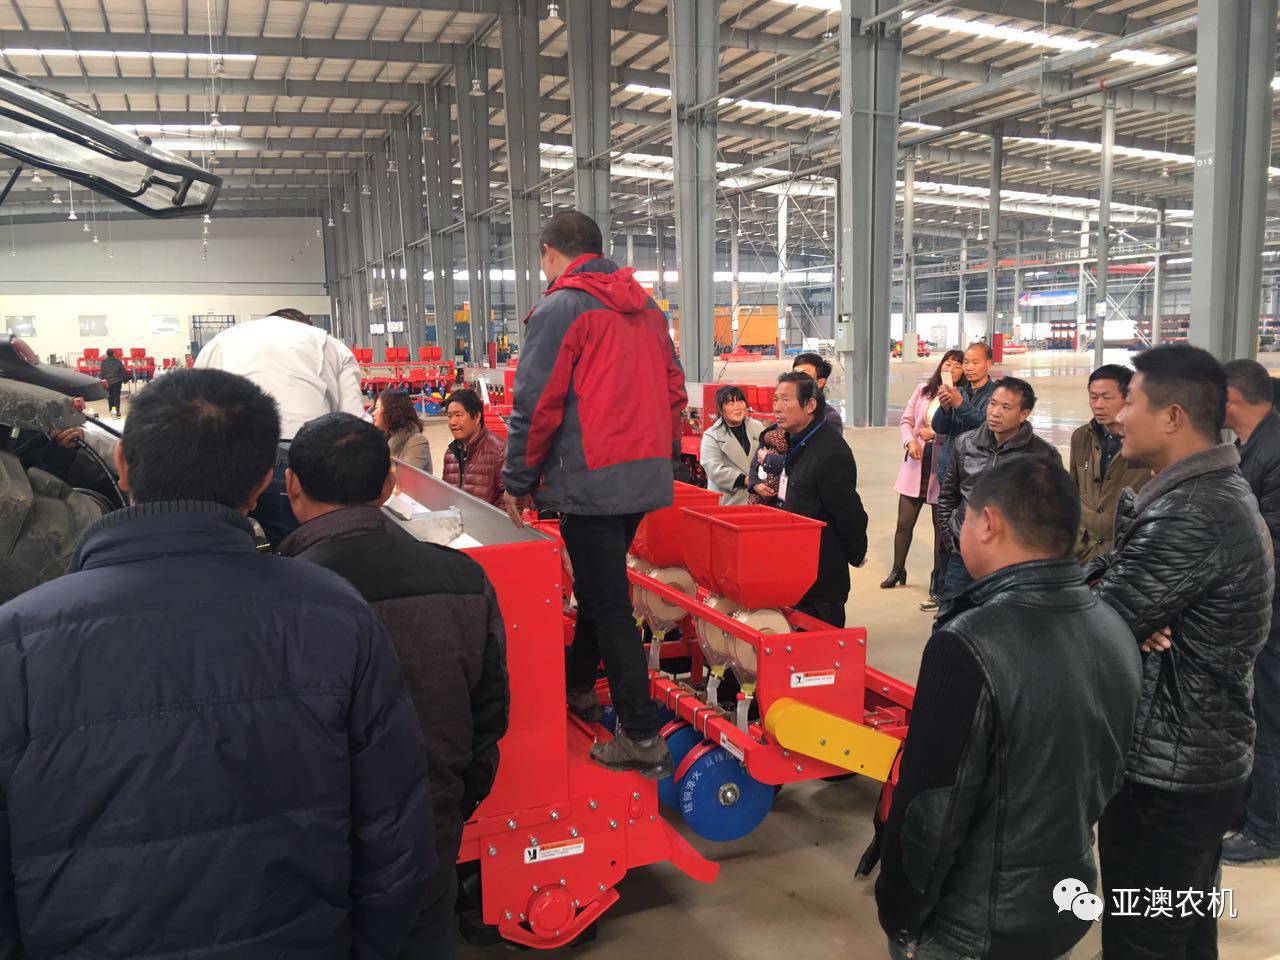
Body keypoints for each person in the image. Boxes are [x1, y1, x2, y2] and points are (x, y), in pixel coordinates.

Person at [0, 369, 434, 958]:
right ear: (262, 485)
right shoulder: (335, 614)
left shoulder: (17, 641)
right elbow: (396, 834)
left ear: (122, 463)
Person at [873, 458, 1141, 960]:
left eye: (966, 518)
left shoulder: (968, 643)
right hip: (1062, 903)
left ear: (989, 524)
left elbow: (932, 809)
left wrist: (900, 914)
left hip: (973, 926)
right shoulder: (1114, 629)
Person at [279, 413, 509, 959]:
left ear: (292, 485)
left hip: (311, 865)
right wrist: (450, 807)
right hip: (428, 841)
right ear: (389, 483)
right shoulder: (464, 579)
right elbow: (488, 717)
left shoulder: (271, 596)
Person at [1089, 345, 1272, 959]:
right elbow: (1113, 600)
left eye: (1131, 402)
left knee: (1143, 941)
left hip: (1167, 775)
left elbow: (1093, 628)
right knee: (1185, 934)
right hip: (1194, 762)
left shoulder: (1190, 513)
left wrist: (1115, 612)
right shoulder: (1200, 494)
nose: (1119, 417)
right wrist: (1118, 604)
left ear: (1172, 416)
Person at [502, 210, 686, 779]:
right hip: (641, 477)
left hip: (589, 481)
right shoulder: (647, 308)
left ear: (549, 252)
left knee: (606, 602)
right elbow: (674, 390)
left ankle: (641, 735)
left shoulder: (561, 308)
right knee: (599, 584)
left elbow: (536, 403)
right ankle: (579, 685)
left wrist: (516, 480)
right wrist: (662, 458)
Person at [194, 306, 368, 546]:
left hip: (228, 456)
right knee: (300, 547)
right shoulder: (329, 344)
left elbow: (195, 407)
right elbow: (354, 422)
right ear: (305, 325)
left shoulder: (221, 341)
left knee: (226, 548)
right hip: (301, 456)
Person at [1220, 358, 1280, 864]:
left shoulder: (1274, 450)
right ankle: (1248, 811)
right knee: (1254, 714)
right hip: (1258, 609)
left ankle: (1267, 829)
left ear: (1230, 397)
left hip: (1274, 614)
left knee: (1270, 719)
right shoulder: (1250, 445)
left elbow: (1271, 541)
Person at [935, 376, 1061, 601]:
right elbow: (947, 497)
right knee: (952, 615)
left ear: (1024, 414)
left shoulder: (1043, 455)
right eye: (992, 404)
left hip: (1012, 563)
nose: (995, 412)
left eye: (1006, 407)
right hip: (964, 556)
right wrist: (953, 539)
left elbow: (1051, 515)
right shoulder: (965, 444)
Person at [772, 371, 868, 627]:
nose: (777, 407)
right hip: (796, 571)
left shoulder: (829, 452)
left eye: (785, 400)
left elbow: (850, 515)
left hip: (821, 578)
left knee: (819, 646)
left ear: (810, 405)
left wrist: (855, 554)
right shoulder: (798, 442)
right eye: (775, 399)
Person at [921, 342, 997, 611]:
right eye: (967, 362)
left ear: (989, 364)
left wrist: (960, 405)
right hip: (951, 472)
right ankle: (944, 593)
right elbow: (940, 428)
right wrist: (944, 407)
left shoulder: (994, 396)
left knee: (978, 535)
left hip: (981, 478)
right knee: (947, 534)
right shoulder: (959, 391)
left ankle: (975, 594)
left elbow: (987, 426)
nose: (969, 367)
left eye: (975, 362)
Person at [883, 349, 964, 591]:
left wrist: (935, 435)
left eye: (957, 365)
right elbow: (906, 421)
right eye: (947, 363)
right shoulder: (923, 391)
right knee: (904, 523)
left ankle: (936, 577)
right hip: (916, 463)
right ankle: (898, 569)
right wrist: (910, 442)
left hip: (942, 467)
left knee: (941, 528)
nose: (950, 368)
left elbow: (961, 431)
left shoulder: (962, 398)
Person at [1069, 364, 1150, 563]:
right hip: (1085, 555)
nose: (1098, 405)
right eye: (1093, 397)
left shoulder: (1147, 442)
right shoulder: (1081, 437)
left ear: (1128, 398)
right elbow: (1073, 492)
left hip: (1128, 555)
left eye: (1107, 398)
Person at [700, 384, 765, 505]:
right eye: (731, 403)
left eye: (740, 401)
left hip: (758, 498)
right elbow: (715, 470)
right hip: (729, 501)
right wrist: (746, 480)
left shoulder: (758, 427)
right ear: (721, 409)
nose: (737, 407)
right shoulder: (712, 435)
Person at [442, 388, 507, 507]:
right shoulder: (450, 454)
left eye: (458, 415)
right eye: (449, 416)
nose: (452, 422)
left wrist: (488, 518)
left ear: (477, 417)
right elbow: (445, 494)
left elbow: (511, 500)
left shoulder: (499, 451)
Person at [374, 387, 432, 472]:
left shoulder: (417, 441)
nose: (373, 413)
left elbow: (406, 476)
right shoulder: (382, 440)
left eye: (377, 408)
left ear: (392, 411)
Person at [793, 351, 843, 430]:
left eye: (804, 374)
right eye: (794, 373)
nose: (795, 378)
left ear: (820, 382)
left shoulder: (829, 418)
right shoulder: (786, 409)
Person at [99, 347, 127, 416]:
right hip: (117, 382)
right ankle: (117, 411)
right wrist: (125, 380)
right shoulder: (118, 361)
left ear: (107, 354)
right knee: (116, 396)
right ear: (113, 353)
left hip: (108, 382)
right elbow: (123, 371)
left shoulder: (103, 362)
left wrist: (101, 381)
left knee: (110, 396)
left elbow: (102, 373)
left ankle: (112, 410)